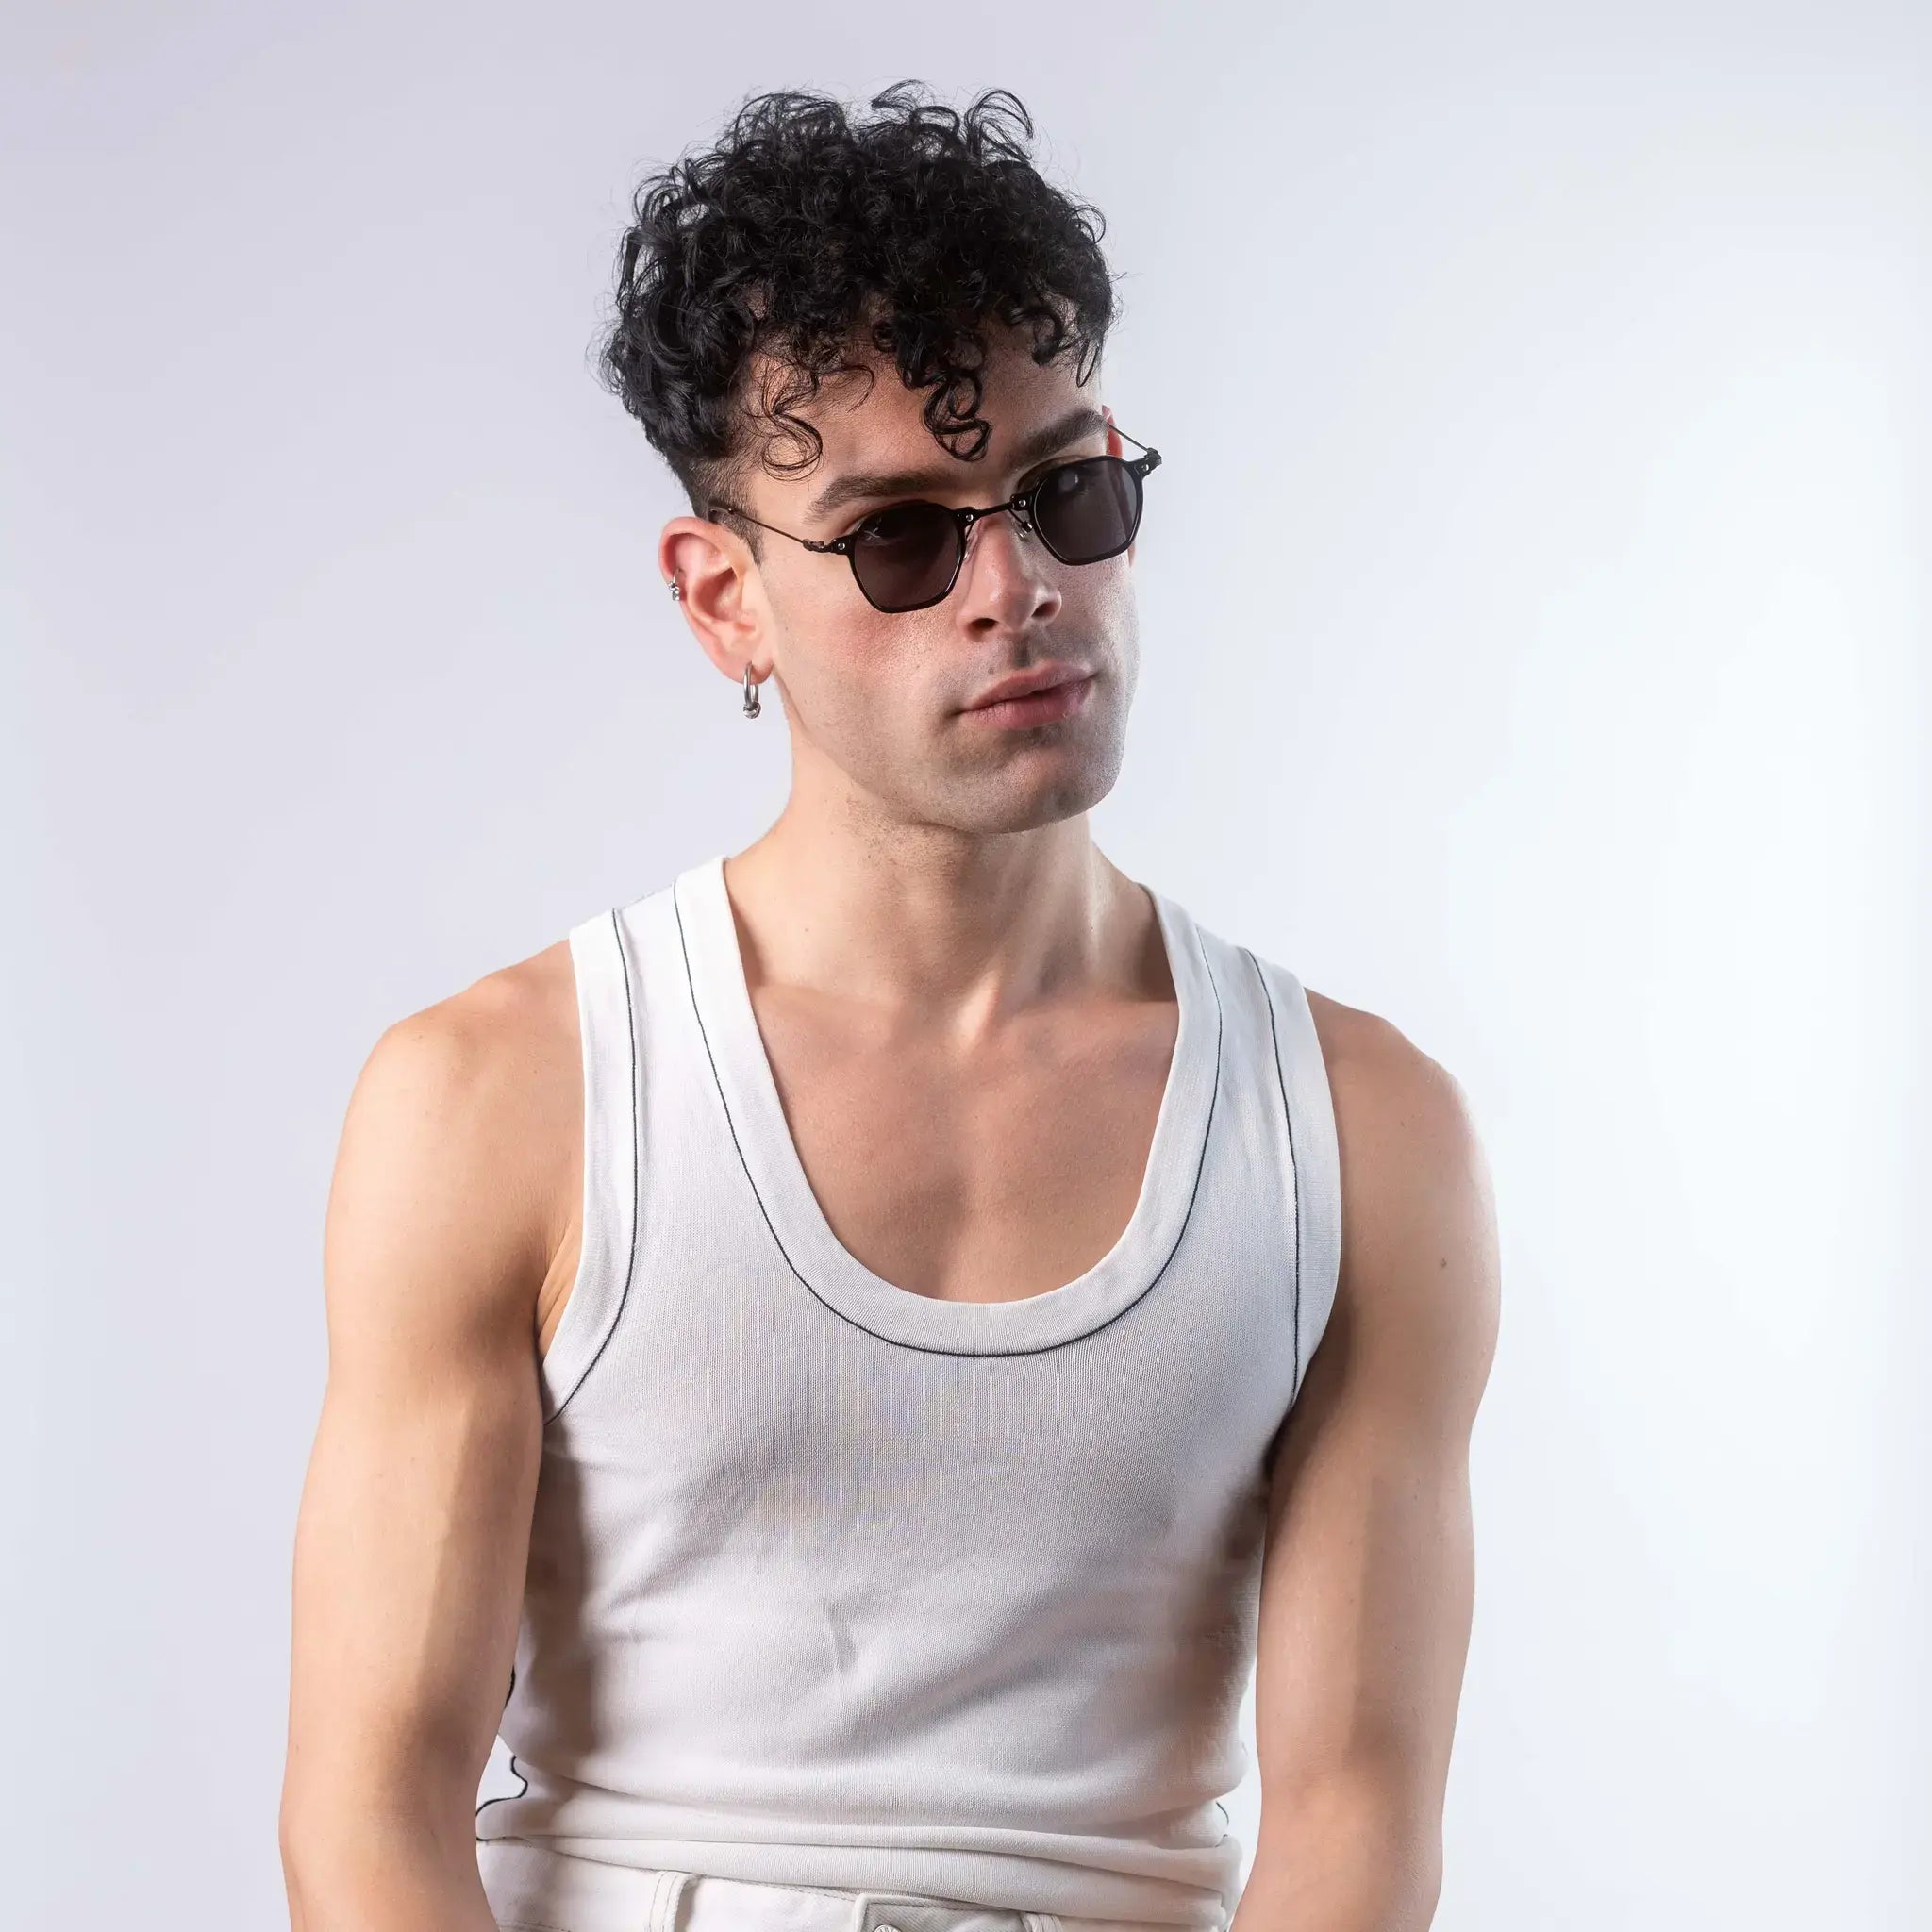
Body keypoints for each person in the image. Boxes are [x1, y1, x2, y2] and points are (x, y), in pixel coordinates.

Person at [278, 81, 1499, 1932]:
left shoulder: (1356, 1130)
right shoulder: (504, 1094)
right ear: (723, 600)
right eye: (902, 541)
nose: (1016, 590)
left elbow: (1355, 1818)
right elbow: (369, 1812)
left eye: (1063, 495)